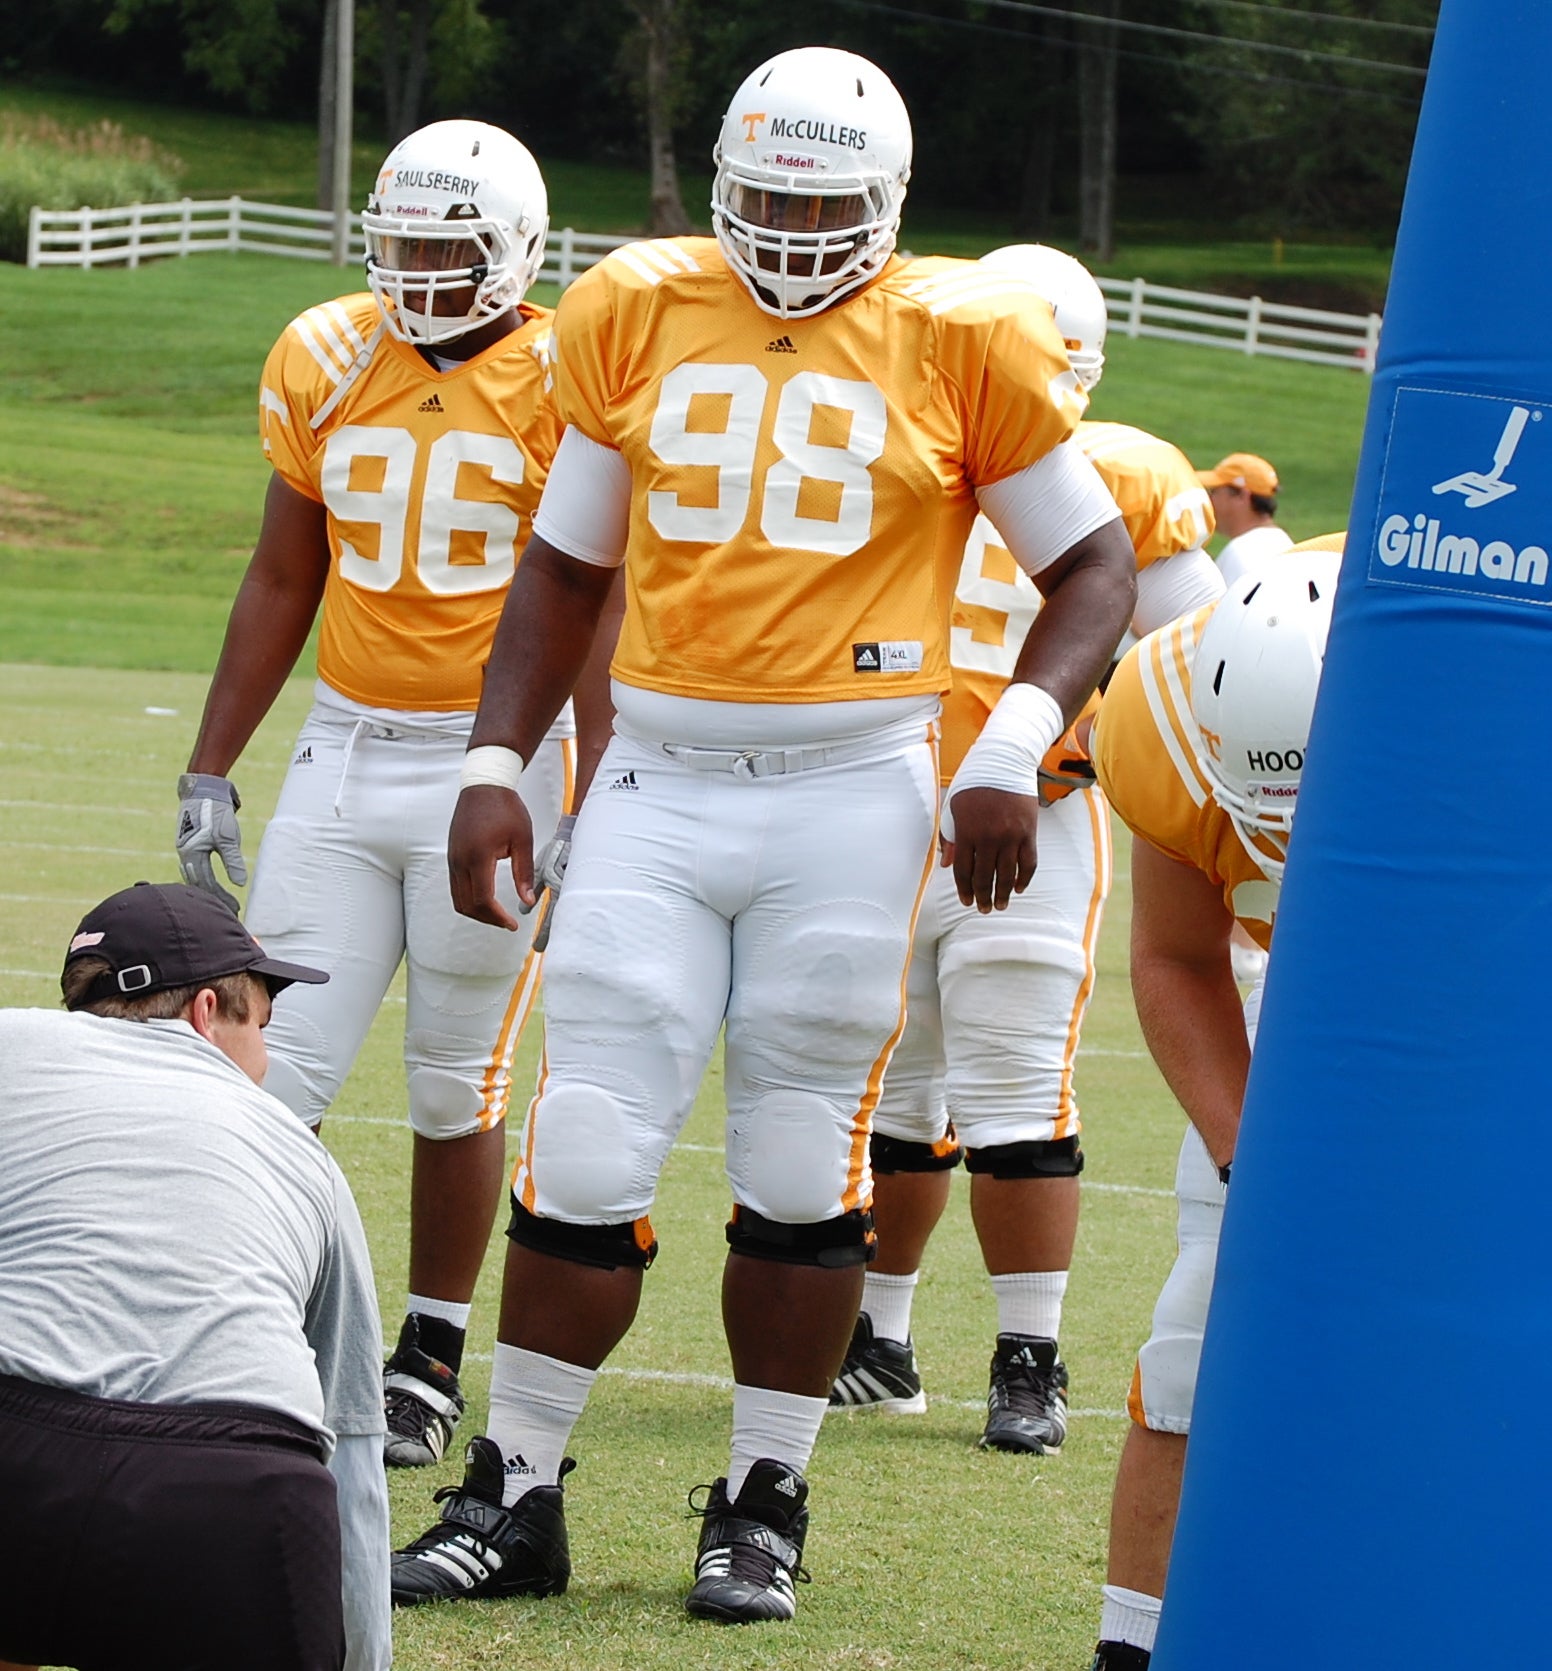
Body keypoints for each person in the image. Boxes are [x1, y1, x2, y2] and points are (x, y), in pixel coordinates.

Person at [391, 46, 1138, 1626]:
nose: (795, 225)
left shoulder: (960, 331)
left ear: (890, 201)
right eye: (771, 192)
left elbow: (1092, 566)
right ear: (724, 183)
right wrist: (492, 762)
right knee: (588, 1130)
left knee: (804, 1152)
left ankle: (765, 1492)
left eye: (827, 196)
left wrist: (1009, 743)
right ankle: (514, 1487)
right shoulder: (637, 305)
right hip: (656, 774)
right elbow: (564, 569)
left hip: (853, 783)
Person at [177, 119, 616, 1470]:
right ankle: (236, 1319)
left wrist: (590, 793)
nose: (422, 266)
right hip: (345, 745)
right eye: (404, 237)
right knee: (264, 1068)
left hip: (497, 759)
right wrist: (212, 758)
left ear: (517, 249)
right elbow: (281, 575)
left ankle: (428, 1346)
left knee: (453, 1077)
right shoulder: (324, 351)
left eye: (452, 243)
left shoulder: (563, 371)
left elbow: (598, 603)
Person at [830, 243, 1227, 1449]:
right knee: (893, 1087)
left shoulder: (1131, 477)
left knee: (1011, 1089)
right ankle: (881, 1336)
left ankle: (1028, 1358)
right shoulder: (898, 446)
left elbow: (1196, 677)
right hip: (882, 813)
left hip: (1034, 823)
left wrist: (1078, 749)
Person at [0, 881, 389, 1671]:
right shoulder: (303, 1157)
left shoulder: (14, 1047)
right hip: (237, 1493)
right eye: (264, 1027)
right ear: (207, 1012)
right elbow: (351, 1444)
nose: (267, 1060)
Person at [1084, 538, 1342, 1670]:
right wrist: (1253, 1163)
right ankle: (1129, 1649)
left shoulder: (1496, 684)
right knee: (1196, 1340)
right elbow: (1178, 958)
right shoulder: (1159, 718)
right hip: (1309, 998)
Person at [1197, 451, 1293, 588]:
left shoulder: (1240, 553)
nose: (1209, 500)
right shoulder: (1283, 542)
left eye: (1214, 492)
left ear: (1242, 496)